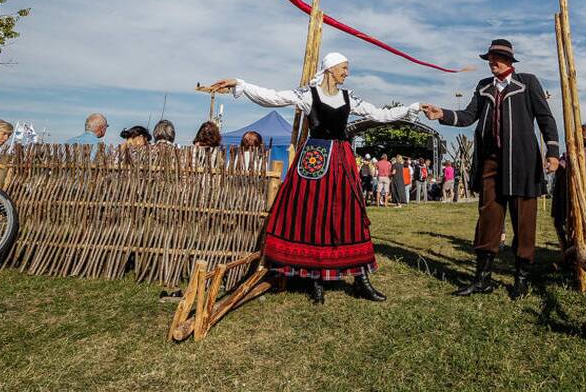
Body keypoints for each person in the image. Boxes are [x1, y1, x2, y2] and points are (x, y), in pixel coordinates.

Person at [208, 52, 421, 304]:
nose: (347, 72)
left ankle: (361, 278)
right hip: (314, 160)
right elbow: (274, 97)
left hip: (341, 160)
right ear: (330, 69)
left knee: (350, 213)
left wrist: (411, 109)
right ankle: (315, 279)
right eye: (344, 68)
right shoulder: (308, 95)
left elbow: (378, 114)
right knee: (314, 214)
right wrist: (241, 84)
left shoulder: (347, 97)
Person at [423, 38, 559, 300]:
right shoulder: (484, 86)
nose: (492, 62)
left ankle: (521, 280)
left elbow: (545, 118)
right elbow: (467, 116)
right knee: (488, 219)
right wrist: (442, 114)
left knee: (524, 221)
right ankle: (482, 279)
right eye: (490, 58)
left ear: (508, 60)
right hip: (490, 163)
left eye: (496, 57)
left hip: (522, 162)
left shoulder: (527, 82)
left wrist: (552, 151)